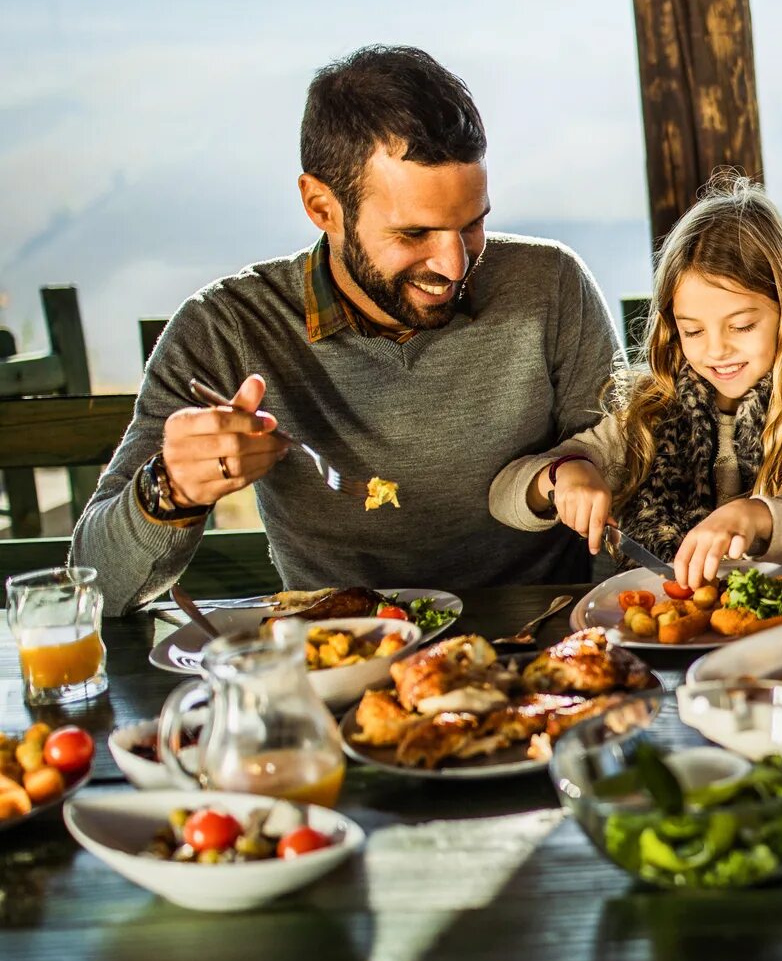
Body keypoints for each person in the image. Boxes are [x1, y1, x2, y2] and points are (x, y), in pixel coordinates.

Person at [71, 45, 620, 612]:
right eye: (413, 235)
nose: (453, 265)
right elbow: (100, 586)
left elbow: (625, 486)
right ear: (321, 206)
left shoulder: (550, 283)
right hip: (343, 656)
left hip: (543, 642)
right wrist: (171, 491)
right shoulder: (228, 328)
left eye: (473, 224)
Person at [490, 179, 782, 587]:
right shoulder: (645, 418)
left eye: (742, 325)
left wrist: (762, 516)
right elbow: (502, 493)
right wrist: (562, 477)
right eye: (693, 332)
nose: (717, 350)